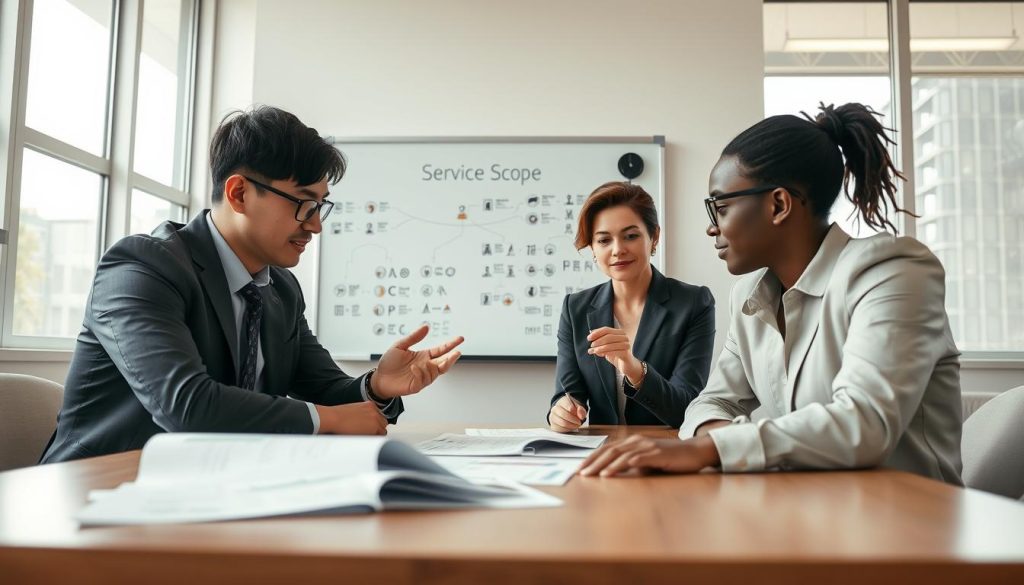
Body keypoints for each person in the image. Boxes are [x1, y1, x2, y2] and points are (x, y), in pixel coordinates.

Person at [41, 106, 464, 463]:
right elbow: (187, 407)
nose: (315, 225)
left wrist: (376, 387)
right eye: (303, 204)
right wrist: (326, 420)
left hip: (218, 489)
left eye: (321, 207)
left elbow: (328, 392)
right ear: (240, 193)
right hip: (99, 494)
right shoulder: (143, 267)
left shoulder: (281, 289)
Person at [579, 103, 962, 484]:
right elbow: (711, 403)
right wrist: (715, 440)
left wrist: (707, 449)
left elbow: (865, 422)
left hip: (908, 525)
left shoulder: (892, 272)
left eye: (721, 207)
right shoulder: (749, 296)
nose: (712, 228)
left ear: (778, 204)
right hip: (809, 509)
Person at [548, 181, 715, 431]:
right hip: (603, 455)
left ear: (654, 236)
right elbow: (567, 395)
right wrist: (560, 413)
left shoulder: (693, 303)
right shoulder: (576, 308)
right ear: (593, 248)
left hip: (667, 453)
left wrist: (636, 370)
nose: (617, 250)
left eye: (631, 236)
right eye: (604, 240)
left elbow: (686, 409)